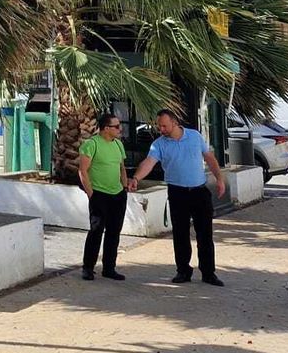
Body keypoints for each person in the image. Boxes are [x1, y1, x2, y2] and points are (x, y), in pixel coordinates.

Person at [130, 108, 227, 286]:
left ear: (174, 122)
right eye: (159, 126)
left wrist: (220, 179)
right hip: (177, 193)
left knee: (205, 234)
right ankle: (183, 270)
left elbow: (209, 157)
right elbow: (149, 163)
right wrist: (136, 177)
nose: (162, 129)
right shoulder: (159, 144)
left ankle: (208, 272)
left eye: (164, 126)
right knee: (180, 233)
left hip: (199, 191)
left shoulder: (194, 136)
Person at [78, 113, 129, 281]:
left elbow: (121, 167)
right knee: (96, 231)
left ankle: (109, 268)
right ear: (106, 128)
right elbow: (83, 170)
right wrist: (91, 194)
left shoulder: (118, 145)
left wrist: (125, 187)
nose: (119, 129)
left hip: (117, 194)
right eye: (116, 126)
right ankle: (88, 267)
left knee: (114, 231)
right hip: (99, 194)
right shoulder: (91, 144)